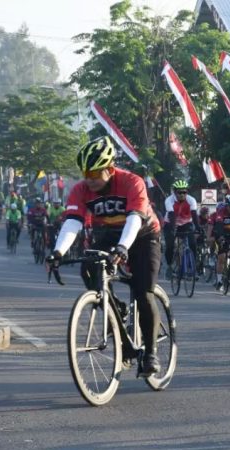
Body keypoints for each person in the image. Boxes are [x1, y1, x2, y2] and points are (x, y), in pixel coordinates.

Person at [47, 136, 163, 376]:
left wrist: (122, 248)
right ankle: (115, 310)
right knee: (88, 269)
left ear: (110, 169)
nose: (89, 180)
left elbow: (134, 218)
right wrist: (58, 252)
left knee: (143, 292)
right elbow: (72, 223)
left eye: (95, 174)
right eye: (86, 174)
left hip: (143, 234)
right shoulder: (81, 190)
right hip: (109, 232)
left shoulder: (132, 182)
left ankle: (150, 354)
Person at [206, 193, 230, 292]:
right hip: (223, 233)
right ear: (226, 205)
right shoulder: (221, 212)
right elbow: (218, 225)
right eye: (229, 206)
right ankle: (219, 280)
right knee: (221, 258)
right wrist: (219, 237)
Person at [163, 179, 199, 278]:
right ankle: (169, 266)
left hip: (186, 223)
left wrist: (198, 228)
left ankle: (193, 269)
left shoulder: (191, 200)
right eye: (179, 192)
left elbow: (194, 215)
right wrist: (173, 228)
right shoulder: (169, 200)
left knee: (192, 244)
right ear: (175, 192)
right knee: (170, 245)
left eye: (184, 192)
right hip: (170, 223)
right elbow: (171, 215)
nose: (182, 194)